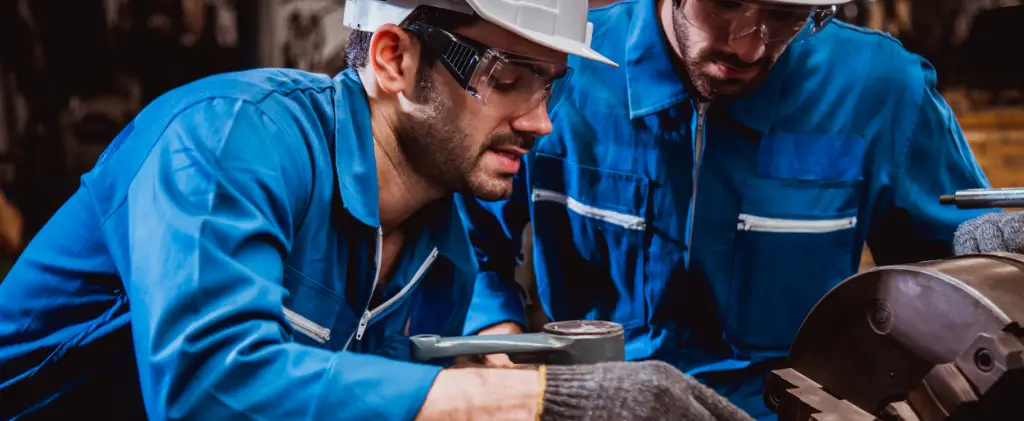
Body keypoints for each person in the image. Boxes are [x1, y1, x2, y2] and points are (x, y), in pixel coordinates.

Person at [0, 1, 755, 420]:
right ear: (394, 58)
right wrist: (538, 397)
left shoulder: (440, 248)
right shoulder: (229, 140)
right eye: (509, 76)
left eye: (550, 85)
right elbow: (207, 388)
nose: (541, 121)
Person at [458, 0, 997, 419]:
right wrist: (495, 335)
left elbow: (958, 278)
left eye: (786, 16)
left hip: (785, 408)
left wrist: (1000, 262)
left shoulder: (878, 92)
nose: (748, 46)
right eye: (725, 4)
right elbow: (468, 232)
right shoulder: (565, 66)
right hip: (594, 401)